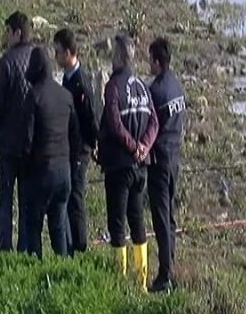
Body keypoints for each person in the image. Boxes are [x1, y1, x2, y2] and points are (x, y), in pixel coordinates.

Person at [97, 33, 159, 293]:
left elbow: (113, 121)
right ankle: (142, 283)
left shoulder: (113, 86)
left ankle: (120, 282)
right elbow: (155, 122)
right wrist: (144, 147)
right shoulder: (143, 87)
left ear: (121, 57)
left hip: (120, 166)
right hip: (141, 168)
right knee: (138, 222)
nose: (110, 58)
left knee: (117, 224)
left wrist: (133, 147)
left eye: (113, 54)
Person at [22, 46, 80, 259]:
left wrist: (24, 166)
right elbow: (75, 135)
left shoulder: (34, 97)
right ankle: (62, 274)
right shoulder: (65, 96)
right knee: (58, 228)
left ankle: (35, 272)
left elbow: (27, 139)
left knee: (33, 226)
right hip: (63, 172)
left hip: (40, 172)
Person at [0, 11, 33, 252]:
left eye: (7, 31)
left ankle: (4, 248)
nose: (5, 36)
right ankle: (24, 247)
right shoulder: (37, 58)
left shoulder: (7, 61)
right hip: (30, 144)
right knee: (25, 200)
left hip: (7, 144)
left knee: (5, 199)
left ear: (17, 33)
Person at [53, 28, 99, 255]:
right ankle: (72, 243)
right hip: (70, 147)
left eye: (59, 52)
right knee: (70, 196)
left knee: (76, 197)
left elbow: (90, 117)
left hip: (80, 148)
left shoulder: (81, 82)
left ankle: (80, 247)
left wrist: (92, 145)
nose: (56, 57)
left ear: (70, 53)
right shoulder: (68, 79)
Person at [146, 37, 186, 293]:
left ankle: (164, 275)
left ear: (157, 62)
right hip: (175, 160)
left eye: (150, 59)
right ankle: (170, 264)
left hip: (159, 162)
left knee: (161, 219)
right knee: (169, 217)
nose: (148, 63)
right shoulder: (177, 87)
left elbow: (148, 127)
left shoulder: (155, 92)